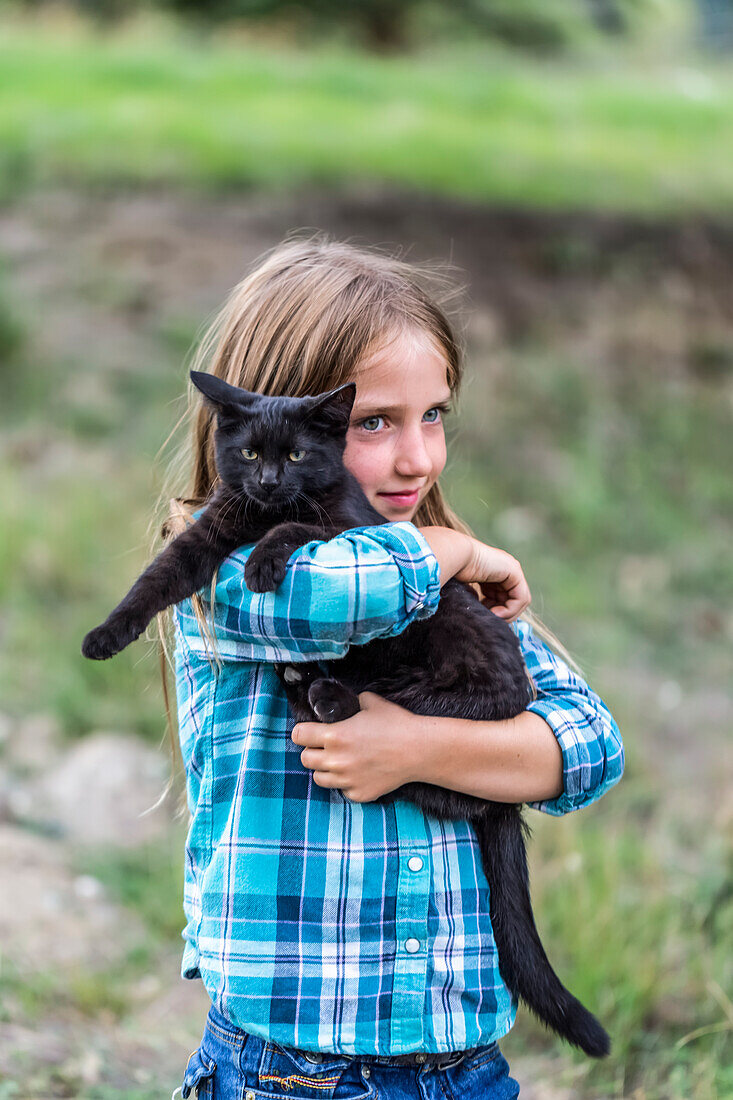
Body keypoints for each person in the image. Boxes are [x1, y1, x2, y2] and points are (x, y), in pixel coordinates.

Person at [161, 236, 624, 1099]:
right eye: (374, 422)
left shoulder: (441, 583)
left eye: (434, 415)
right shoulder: (220, 571)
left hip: (464, 1062)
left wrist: (417, 749)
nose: (418, 457)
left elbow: (590, 746)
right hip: (292, 1073)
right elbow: (333, 599)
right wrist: (447, 547)